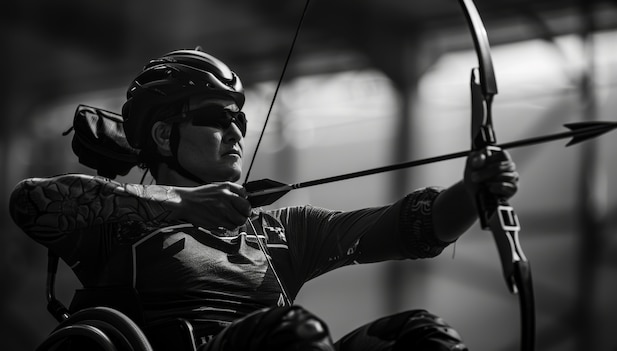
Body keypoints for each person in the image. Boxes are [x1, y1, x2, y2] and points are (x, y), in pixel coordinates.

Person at [9, 48, 518, 351]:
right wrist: (182, 205)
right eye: (216, 115)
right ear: (164, 136)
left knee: (422, 335)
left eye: (240, 119)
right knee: (294, 334)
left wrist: (471, 195)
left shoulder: (279, 231)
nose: (235, 130)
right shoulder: (119, 222)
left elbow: (411, 227)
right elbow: (30, 203)